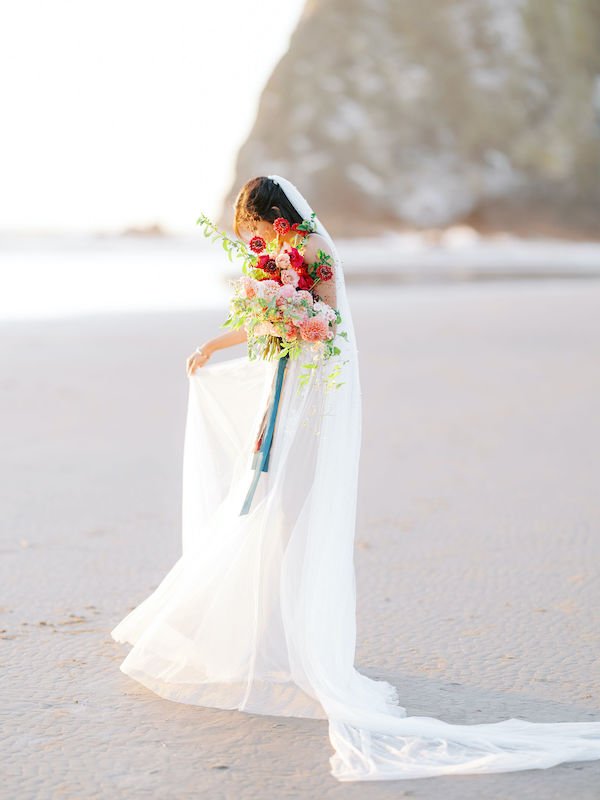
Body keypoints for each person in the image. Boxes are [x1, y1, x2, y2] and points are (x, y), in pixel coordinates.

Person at [112, 175, 600, 781]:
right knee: (260, 489)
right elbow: (269, 311)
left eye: (254, 227)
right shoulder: (279, 256)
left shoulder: (312, 249)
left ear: (273, 216)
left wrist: (292, 319)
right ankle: (262, 625)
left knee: (283, 498)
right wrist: (218, 342)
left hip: (316, 384)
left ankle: (284, 631)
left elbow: (327, 321)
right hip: (288, 377)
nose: (253, 239)